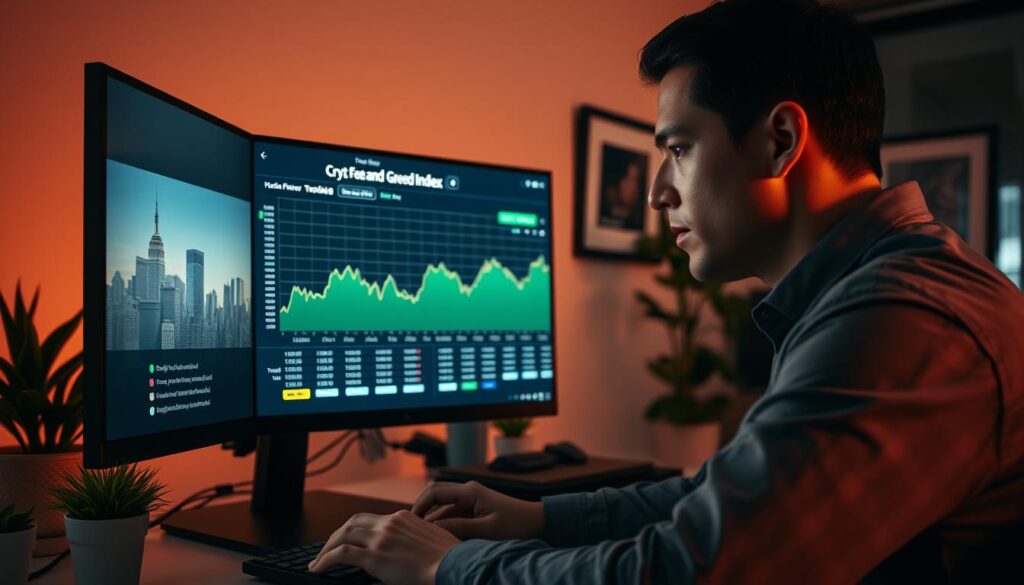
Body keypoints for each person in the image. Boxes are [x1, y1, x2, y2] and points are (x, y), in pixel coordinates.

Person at [308, 0, 1024, 582]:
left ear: (779, 140)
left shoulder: (904, 319)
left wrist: (450, 566)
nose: (657, 192)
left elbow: (693, 569)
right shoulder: (876, 286)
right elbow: (734, 497)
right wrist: (541, 517)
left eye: (678, 148)